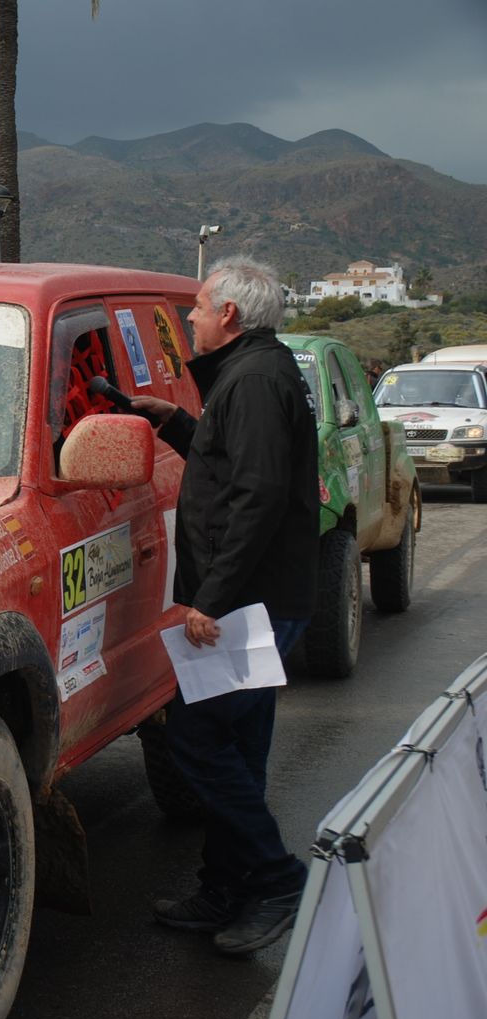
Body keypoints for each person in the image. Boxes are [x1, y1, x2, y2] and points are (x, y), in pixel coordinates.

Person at [130, 256, 318, 957]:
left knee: (198, 739)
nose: (192, 318)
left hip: (249, 605)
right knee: (240, 745)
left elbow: (258, 497)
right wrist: (177, 421)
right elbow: (230, 464)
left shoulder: (259, 381)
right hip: (255, 600)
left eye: (200, 307)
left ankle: (276, 878)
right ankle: (224, 886)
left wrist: (211, 599)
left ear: (231, 316)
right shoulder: (252, 375)